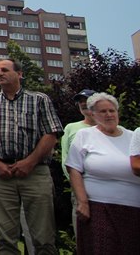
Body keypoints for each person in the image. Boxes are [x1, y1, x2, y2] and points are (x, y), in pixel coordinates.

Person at [0, 59, 63, 255]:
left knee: (43, 235)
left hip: (35, 173)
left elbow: (51, 134)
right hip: (2, 174)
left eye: (4, 70)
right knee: (5, 237)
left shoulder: (39, 99)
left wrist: (30, 162)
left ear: (19, 74)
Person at [66, 92, 140, 255]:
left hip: (133, 209)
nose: (108, 114)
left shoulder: (133, 137)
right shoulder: (85, 135)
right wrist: (82, 202)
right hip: (98, 207)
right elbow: (74, 169)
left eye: (112, 110)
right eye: (103, 111)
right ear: (93, 115)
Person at [60, 88, 96, 235]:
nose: (83, 103)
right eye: (80, 101)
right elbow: (65, 159)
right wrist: (77, 184)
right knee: (83, 233)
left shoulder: (113, 128)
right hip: (80, 189)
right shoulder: (71, 128)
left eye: (87, 100)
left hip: (107, 190)